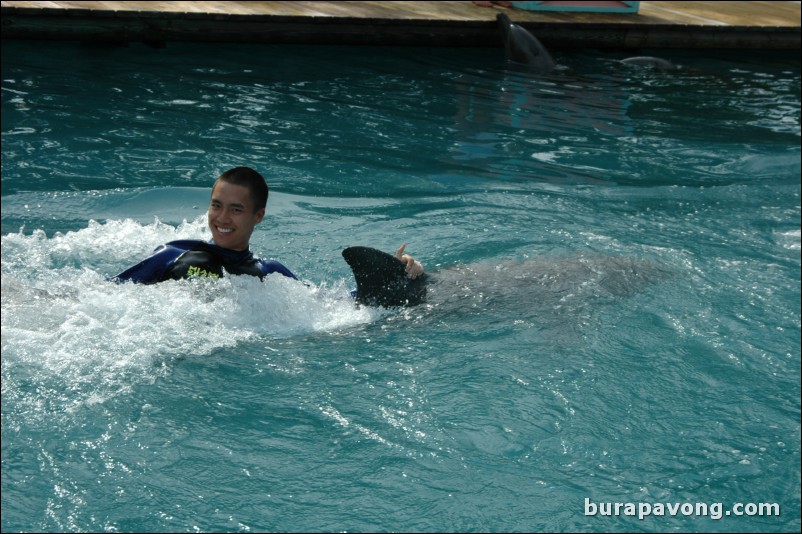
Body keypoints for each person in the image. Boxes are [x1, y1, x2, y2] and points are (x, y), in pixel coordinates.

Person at [113, 166, 424, 285]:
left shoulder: (272, 273)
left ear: (258, 216)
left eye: (236, 210)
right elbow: (107, 294)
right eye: (216, 206)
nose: (222, 219)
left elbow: (329, 312)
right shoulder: (175, 255)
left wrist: (397, 273)